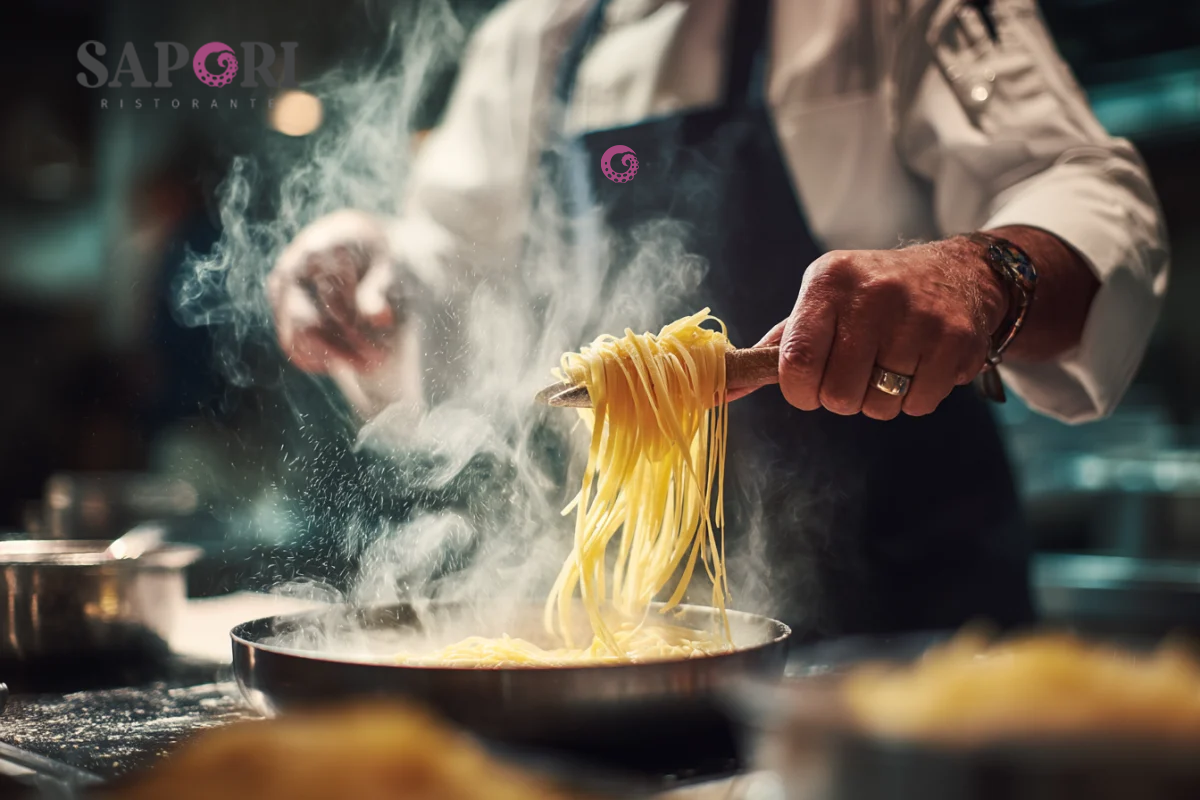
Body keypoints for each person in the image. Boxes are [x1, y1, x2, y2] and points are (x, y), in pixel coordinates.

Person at [266, 0, 1168, 641]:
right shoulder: (531, 37)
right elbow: (447, 282)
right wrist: (368, 274)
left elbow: (1089, 188)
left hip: (906, 626)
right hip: (644, 634)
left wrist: (984, 274)